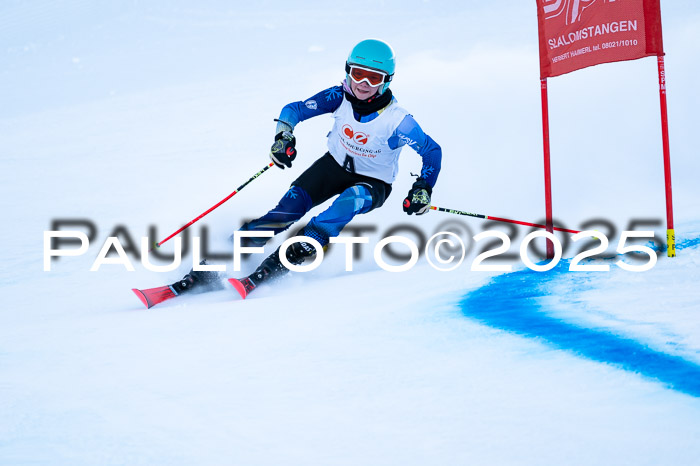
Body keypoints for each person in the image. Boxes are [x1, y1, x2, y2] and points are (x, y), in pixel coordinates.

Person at [182, 39, 442, 296]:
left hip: (374, 183)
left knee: (348, 201)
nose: (363, 84)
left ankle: (288, 256)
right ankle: (215, 263)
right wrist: (283, 137)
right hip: (333, 167)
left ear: (386, 81)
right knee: (286, 211)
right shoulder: (338, 97)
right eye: (357, 74)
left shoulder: (398, 121)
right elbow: (292, 110)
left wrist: (423, 187)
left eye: (373, 78)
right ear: (347, 70)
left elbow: (431, 151)